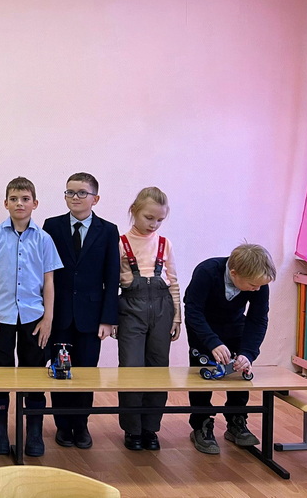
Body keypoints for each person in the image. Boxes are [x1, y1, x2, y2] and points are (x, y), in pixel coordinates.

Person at [0, 177, 62, 457]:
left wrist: (48, 318)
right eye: (13, 199)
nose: (19, 204)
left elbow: (48, 281)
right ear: (5, 203)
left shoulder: (44, 239)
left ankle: (34, 433)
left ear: (35, 203)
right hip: (0, 317)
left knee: (34, 376)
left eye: (25, 199)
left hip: (33, 318)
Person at [43, 172, 120, 449]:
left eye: (82, 193)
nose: (75, 197)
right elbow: (46, 272)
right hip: (60, 313)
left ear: (95, 199)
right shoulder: (52, 226)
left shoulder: (108, 230)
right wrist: (45, 314)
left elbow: (112, 277)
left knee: (86, 371)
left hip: (91, 316)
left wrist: (108, 319)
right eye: (70, 192)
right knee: (60, 369)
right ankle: (63, 425)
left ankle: (81, 424)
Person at [184, 243, 276, 455]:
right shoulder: (207, 272)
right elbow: (193, 311)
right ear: (234, 273)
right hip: (204, 330)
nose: (257, 289)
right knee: (201, 378)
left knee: (239, 374)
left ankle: (237, 421)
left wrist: (248, 353)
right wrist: (212, 342)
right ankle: (201, 425)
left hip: (235, 327)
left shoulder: (258, 282)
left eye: (260, 285)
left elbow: (258, 319)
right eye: (253, 285)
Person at [116, 187, 181, 451]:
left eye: (159, 220)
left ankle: (150, 428)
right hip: (131, 309)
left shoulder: (164, 243)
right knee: (131, 369)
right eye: (148, 217)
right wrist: (112, 319)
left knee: (158, 369)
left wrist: (177, 316)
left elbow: (173, 281)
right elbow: (111, 282)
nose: (153, 224)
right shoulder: (121, 242)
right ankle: (132, 429)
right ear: (134, 211)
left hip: (163, 310)